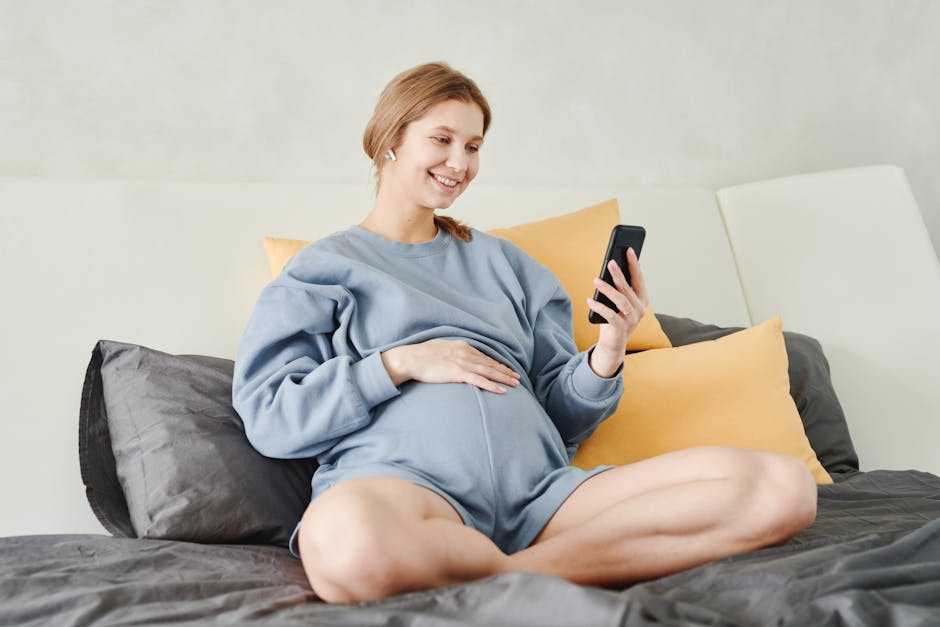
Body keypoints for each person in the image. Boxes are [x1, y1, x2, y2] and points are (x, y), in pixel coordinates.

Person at [231, 61, 817, 604]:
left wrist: (609, 350)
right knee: (346, 542)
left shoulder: (508, 266)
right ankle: (548, 570)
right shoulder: (323, 269)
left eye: (474, 146)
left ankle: (503, 574)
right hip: (404, 493)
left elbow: (562, 415)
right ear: (390, 138)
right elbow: (271, 416)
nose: (459, 163)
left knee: (783, 489)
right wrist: (401, 363)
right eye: (441, 139)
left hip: (545, 498)